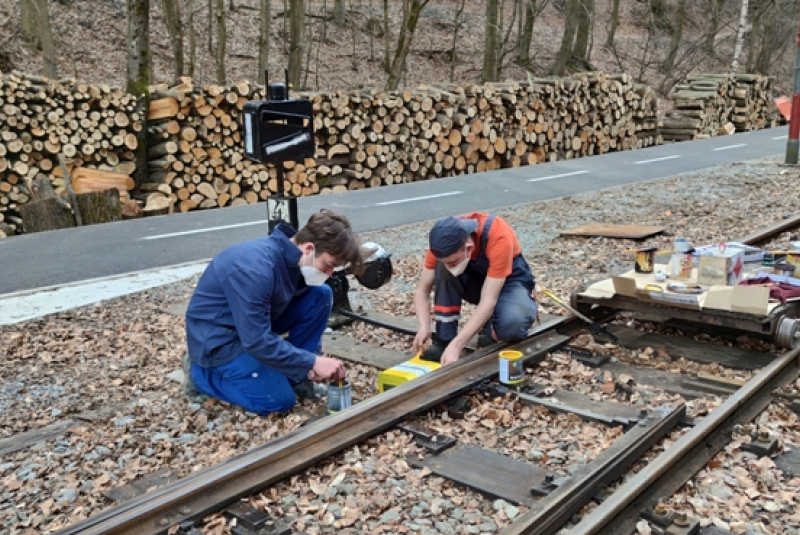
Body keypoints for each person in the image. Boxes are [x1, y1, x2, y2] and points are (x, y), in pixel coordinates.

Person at [183, 209, 364, 415]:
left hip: (251, 325)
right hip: (219, 340)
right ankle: (200, 375)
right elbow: (256, 340)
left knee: (320, 295)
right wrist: (312, 361)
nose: (330, 273)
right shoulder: (255, 270)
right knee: (278, 401)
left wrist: (308, 364)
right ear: (309, 248)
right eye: (329, 265)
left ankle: (298, 378)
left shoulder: (291, 258)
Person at [413, 212, 537, 366]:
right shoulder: (441, 244)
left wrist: (458, 346)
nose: (449, 266)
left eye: (452, 261)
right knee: (443, 271)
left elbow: (488, 300)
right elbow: (422, 290)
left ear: (469, 247)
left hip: (510, 280)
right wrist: (423, 326)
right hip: (478, 280)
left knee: (512, 325)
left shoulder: (498, 236)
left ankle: (494, 325)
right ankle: (445, 339)